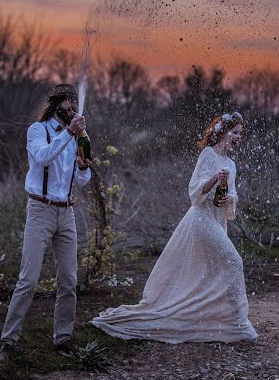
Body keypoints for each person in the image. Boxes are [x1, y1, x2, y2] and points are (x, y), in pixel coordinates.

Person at [91, 111, 258, 344]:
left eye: (241, 133)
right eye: (235, 132)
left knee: (210, 271)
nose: (239, 137)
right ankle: (239, 323)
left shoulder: (232, 164)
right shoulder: (208, 155)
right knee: (233, 261)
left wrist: (228, 198)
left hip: (218, 220)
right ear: (223, 131)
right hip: (202, 220)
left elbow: (233, 198)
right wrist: (212, 181)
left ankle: (214, 317)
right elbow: (194, 193)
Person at [0, 84, 91, 361]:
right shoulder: (38, 131)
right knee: (28, 279)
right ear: (56, 104)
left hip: (66, 212)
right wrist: (71, 133)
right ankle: (9, 341)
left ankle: (63, 338)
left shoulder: (76, 135)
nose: (73, 107)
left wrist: (84, 166)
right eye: (68, 103)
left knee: (69, 280)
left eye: (75, 102)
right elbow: (42, 156)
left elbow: (82, 180)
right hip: (40, 209)